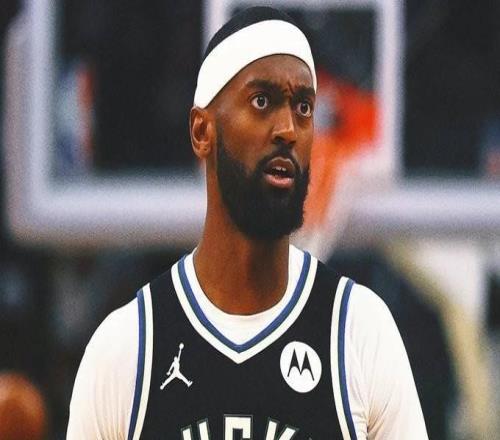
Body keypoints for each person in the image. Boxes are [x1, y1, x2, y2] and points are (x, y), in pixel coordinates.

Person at [67, 7, 428, 439]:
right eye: (262, 102)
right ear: (202, 131)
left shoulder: (361, 330)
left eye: (304, 107)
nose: (288, 129)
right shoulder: (127, 347)